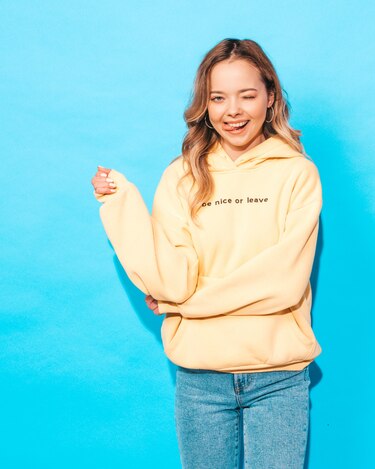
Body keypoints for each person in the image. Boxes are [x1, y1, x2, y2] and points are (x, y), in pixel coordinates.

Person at [90, 38, 322, 468]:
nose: (233, 110)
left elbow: (282, 283)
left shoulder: (297, 174)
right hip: (200, 382)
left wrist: (184, 305)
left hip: (278, 378)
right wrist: (120, 205)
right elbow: (171, 279)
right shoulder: (181, 176)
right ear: (205, 104)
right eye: (218, 97)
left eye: (247, 95)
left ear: (270, 97)